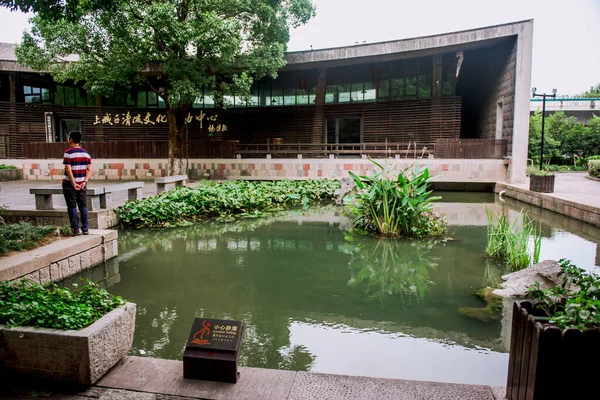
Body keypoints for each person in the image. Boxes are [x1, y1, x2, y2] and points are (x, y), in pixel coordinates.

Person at [62, 131, 92, 235]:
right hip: (82, 184)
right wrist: (84, 182)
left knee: (72, 206)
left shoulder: (68, 152)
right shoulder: (86, 154)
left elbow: (68, 169)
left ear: (71, 139)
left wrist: (73, 183)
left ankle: (75, 229)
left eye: (68, 137)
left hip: (69, 184)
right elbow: (89, 170)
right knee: (83, 206)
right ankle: (85, 229)